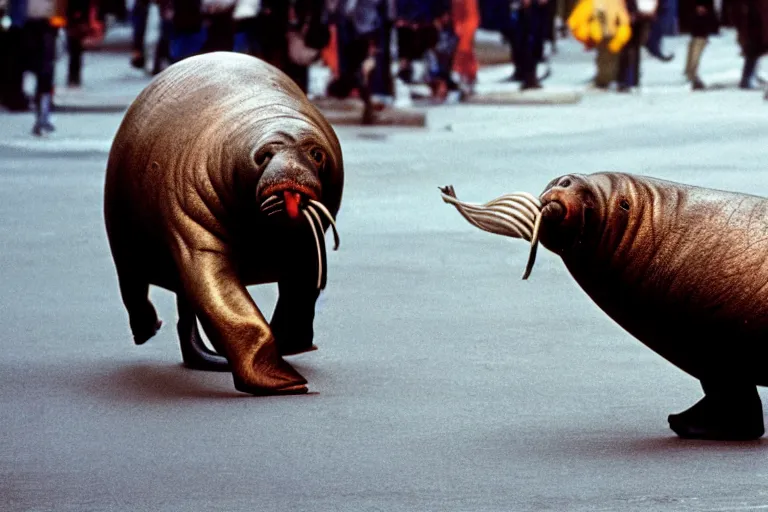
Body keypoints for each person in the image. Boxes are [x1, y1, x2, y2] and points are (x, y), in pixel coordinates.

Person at [23, 0, 66, 135]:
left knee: (46, 72)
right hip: (24, 25)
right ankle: (40, 111)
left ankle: (43, 115)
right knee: (30, 69)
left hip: (48, 25)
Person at [722, 0, 768, 89]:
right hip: (753, 27)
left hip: (757, 26)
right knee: (753, 52)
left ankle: (750, 77)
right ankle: (747, 79)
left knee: (755, 53)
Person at [678, 0, 719, 90]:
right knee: (698, 42)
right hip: (700, 16)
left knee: (695, 41)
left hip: (696, 15)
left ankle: (690, 70)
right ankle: (692, 72)